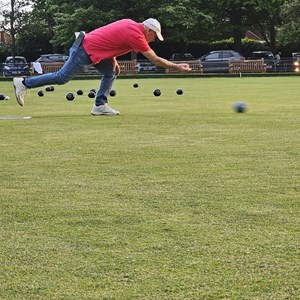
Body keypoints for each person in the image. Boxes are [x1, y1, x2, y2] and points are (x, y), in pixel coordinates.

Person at [13, 18, 192, 115]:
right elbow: (154, 59)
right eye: (154, 36)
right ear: (149, 30)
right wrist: (177, 67)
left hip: (93, 47)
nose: (153, 40)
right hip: (84, 49)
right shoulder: (137, 36)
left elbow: (111, 40)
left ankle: (100, 105)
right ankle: (24, 83)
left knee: (111, 72)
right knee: (61, 78)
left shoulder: (130, 24)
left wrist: (113, 62)